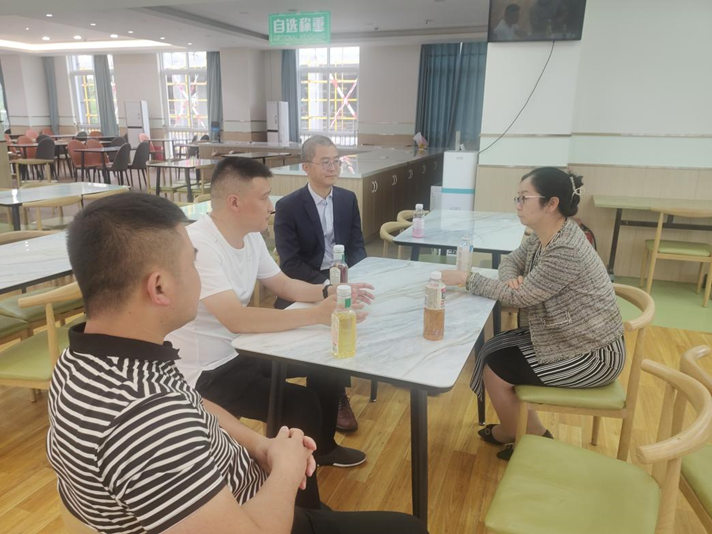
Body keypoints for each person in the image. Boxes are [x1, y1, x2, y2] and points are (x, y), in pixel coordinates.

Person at [48, 192, 427, 534]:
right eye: (192, 264)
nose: (199, 276)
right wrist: (286, 469)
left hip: (239, 492)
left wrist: (260, 446)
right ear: (159, 287)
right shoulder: (146, 421)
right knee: (408, 528)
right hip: (258, 514)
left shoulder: (84, 359)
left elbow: (194, 403)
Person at [166, 158, 374, 508]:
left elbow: (283, 284)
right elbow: (236, 319)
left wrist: (330, 291)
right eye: (264, 198)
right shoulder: (200, 245)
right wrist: (315, 316)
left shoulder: (250, 237)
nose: (271, 206)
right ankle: (303, 508)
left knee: (325, 366)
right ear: (234, 202)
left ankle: (323, 449)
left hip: (241, 351)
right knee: (300, 403)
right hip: (206, 372)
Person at [440, 167, 625, 461]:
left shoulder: (566, 247)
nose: (518, 204)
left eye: (524, 198)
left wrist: (466, 278)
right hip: (564, 336)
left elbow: (520, 297)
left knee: (497, 369)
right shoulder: (544, 235)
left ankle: (527, 435)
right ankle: (519, 429)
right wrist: (512, 280)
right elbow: (510, 262)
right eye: (518, 197)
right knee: (491, 349)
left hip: (592, 354)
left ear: (551, 204)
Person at [275, 135, 368, 432]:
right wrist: (328, 286)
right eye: (325, 162)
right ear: (306, 167)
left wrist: (351, 278)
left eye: (336, 161)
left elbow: (358, 247)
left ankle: (334, 386)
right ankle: (334, 394)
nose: (333, 167)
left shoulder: (347, 199)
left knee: (358, 317)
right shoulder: (288, 206)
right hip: (305, 282)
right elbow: (290, 264)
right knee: (326, 324)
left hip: (344, 278)